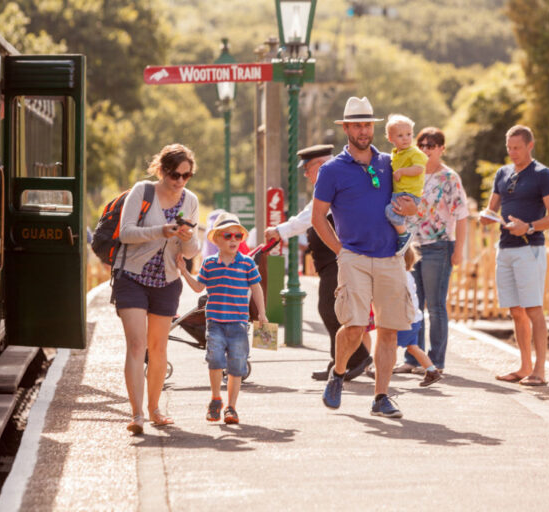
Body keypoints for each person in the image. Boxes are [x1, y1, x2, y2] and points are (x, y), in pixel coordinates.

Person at [311, 96, 417, 418]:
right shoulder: (331, 171)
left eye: (367, 124)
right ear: (345, 128)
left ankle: (381, 397)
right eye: (356, 124)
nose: (362, 130)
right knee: (355, 326)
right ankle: (339, 372)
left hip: (390, 257)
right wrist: (340, 252)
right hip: (353, 256)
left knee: (388, 329)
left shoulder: (390, 162)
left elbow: (412, 201)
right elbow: (318, 218)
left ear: (374, 127)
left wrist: (413, 209)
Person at [264, 145, 372, 382]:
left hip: (339, 260)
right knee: (331, 310)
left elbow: (307, 218)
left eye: (308, 169)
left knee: (331, 310)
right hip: (331, 262)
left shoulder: (336, 181)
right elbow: (306, 215)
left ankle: (356, 358)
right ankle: (340, 361)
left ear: (321, 166)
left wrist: (279, 231)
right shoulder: (332, 183)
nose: (305, 174)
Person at [114, 143, 200, 434]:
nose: (179, 181)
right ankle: (136, 414)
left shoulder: (190, 201)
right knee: (137, 345)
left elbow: (190, 253)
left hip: (167, 280)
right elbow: (125, 233)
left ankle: (154, 409)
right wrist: (160, 231)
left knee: (158, 348)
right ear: (162, 171)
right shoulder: (143, 192)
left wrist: (186, 238)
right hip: (132, 277)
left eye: (186, 176)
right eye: (174, 174)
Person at [480, 125, 549, 387]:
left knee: (533, 310)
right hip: (505, 249)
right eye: (509, 148)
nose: (512, 153)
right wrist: (486, 217)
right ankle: (524, 366)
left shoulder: (542, 174)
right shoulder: (502, 173)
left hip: (530, 248)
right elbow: (492, 208)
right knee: (515, 311)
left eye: (517, 148)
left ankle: (540, 371)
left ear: (529, 146)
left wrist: (530, 227)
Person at [177, 212, 268, 425]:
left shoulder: (247, 264)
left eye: (237, 236)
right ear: (216, 239)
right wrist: (183, 271)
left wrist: (262, 313)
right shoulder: (209, 264)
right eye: (228, 236)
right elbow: (199, 287)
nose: (234, 240)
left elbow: (256, 289)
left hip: (238, 324)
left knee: (237, 366)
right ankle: (216, 398)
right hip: (215, 323)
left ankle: (231, 407)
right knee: (215, 362)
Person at [395, 127, 469, 375]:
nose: (426, 149)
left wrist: (458, 250)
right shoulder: (412, 174)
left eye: (431, 145)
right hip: (410, 246)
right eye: (422, 144)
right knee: (412, 304)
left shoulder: (449, 178)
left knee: (435, 307)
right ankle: (414, 358)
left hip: (438, 246)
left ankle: (436, 361)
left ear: (441, 149)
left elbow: (461, 216)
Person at [396, 245, 443, 387]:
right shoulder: (408, 275)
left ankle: (379, 369)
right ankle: (432, 370)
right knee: (412, 347)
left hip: (405, 319)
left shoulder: (400, 277)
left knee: (389, 346)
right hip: (414, 320)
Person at [384, 114, 427, 255]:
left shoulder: (414, 152)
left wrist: (402, 171)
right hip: (400, 193)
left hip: (408, 194)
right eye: (400, 135)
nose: (406, 138)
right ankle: (401, 237)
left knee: (390, 211)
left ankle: (404, 235)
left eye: (409, 134)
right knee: (394, 214)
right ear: (391, 139)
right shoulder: (396, 154)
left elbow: (419, 169)